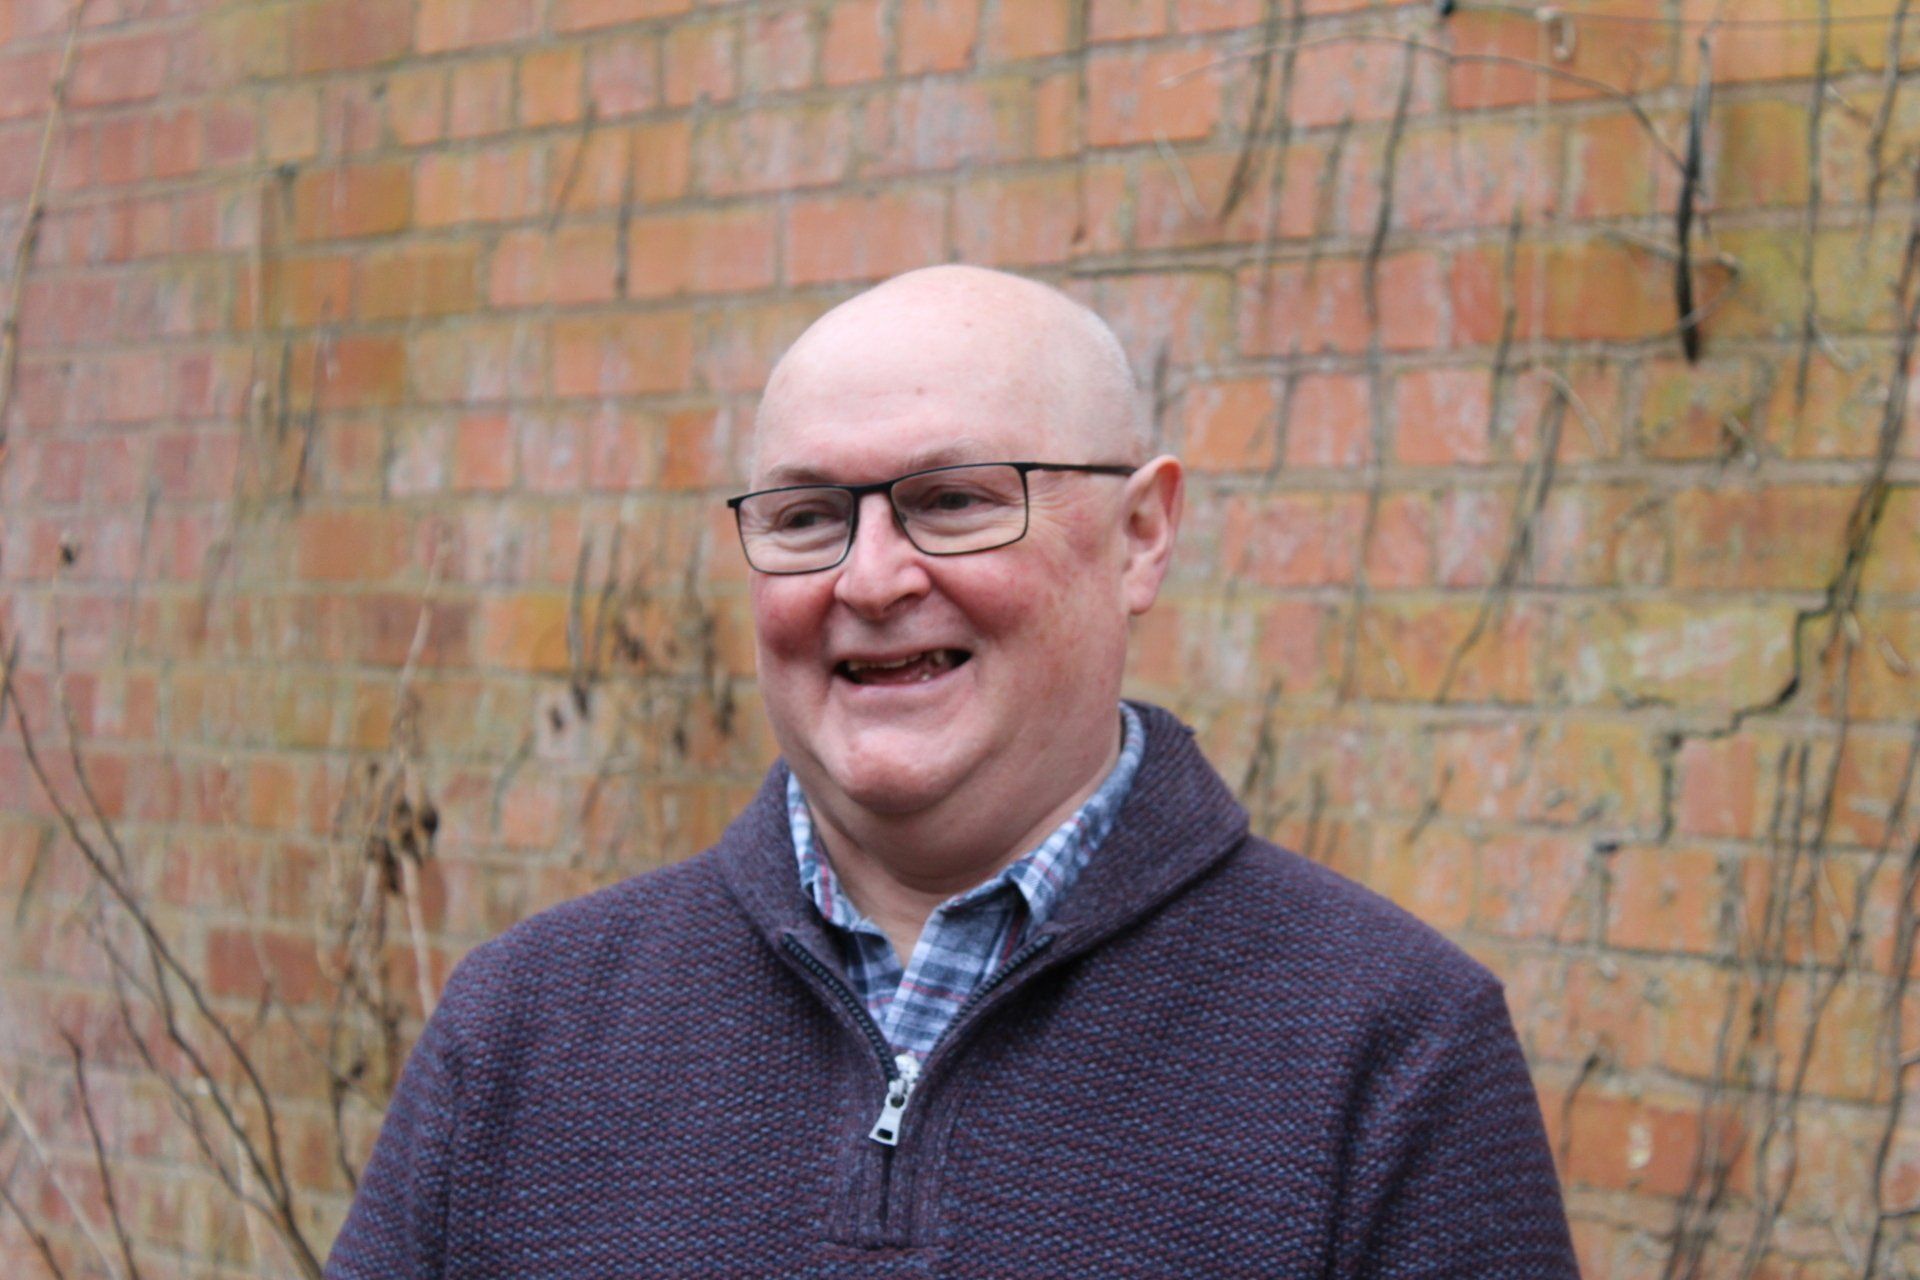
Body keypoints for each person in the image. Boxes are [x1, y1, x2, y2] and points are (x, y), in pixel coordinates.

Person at [324, 266, 1580, 1278]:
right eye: (809, 516)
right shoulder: (526, 1029)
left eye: (956, 499)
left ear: (1141, 536)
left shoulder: (1388, 1050)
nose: (870, 578)